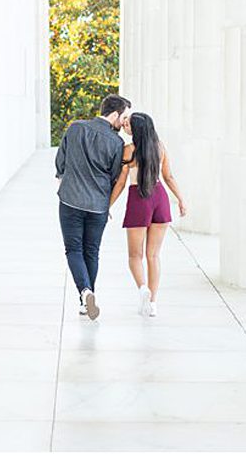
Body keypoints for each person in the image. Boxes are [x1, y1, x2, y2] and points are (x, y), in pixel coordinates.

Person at [55, 92, 130, 320]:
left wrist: (64, 178)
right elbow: (115, 175)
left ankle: (84, 292)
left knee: (74, 250)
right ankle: (87, 297)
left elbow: (60, 161)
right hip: (98, 205)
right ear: (115, 114)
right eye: (124, 117)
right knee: (92, 251)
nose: (124, 122)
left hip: (70, 200)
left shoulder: (76, 128)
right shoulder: (117, 143)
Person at [117, 111, 188, 316]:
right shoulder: (160, 148)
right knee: (154, 255)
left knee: (134, 255)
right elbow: (169, 177)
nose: (125, 126)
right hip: (160, 199)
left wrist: (108, 205)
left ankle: (142, 290)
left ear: (136, 129)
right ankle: (153, 303)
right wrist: (181, 199)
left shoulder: (129, 150)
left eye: (128, 124)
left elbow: (121, 183)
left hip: (138, 199)